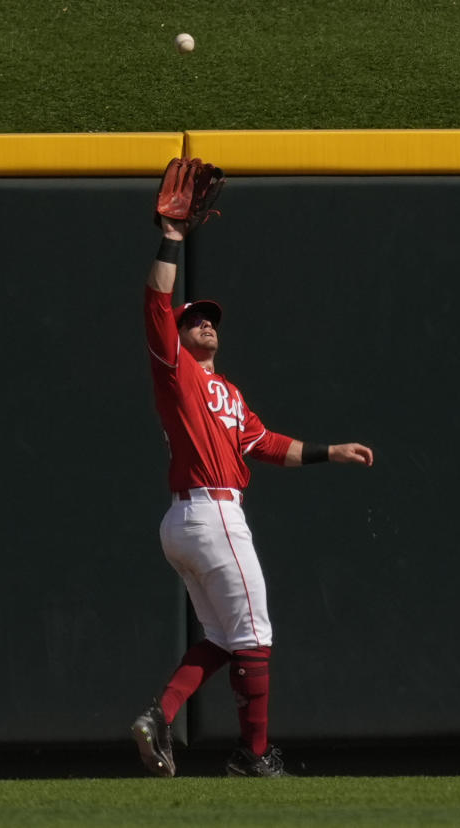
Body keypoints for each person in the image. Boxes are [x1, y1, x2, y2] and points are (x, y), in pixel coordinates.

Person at [131, 209, 375, 779]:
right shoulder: (178, 372)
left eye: (211, 321)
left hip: (190, 520)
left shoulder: (229, 393)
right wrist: (170, 239)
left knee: (221, 635)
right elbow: (154, 306)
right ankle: (255, 756)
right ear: (181, 335)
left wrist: (329, 451)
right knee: (255, 633)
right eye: (195, 321)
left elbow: (266, 445)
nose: (206, 325)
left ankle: (159, 716)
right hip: (210, 511)